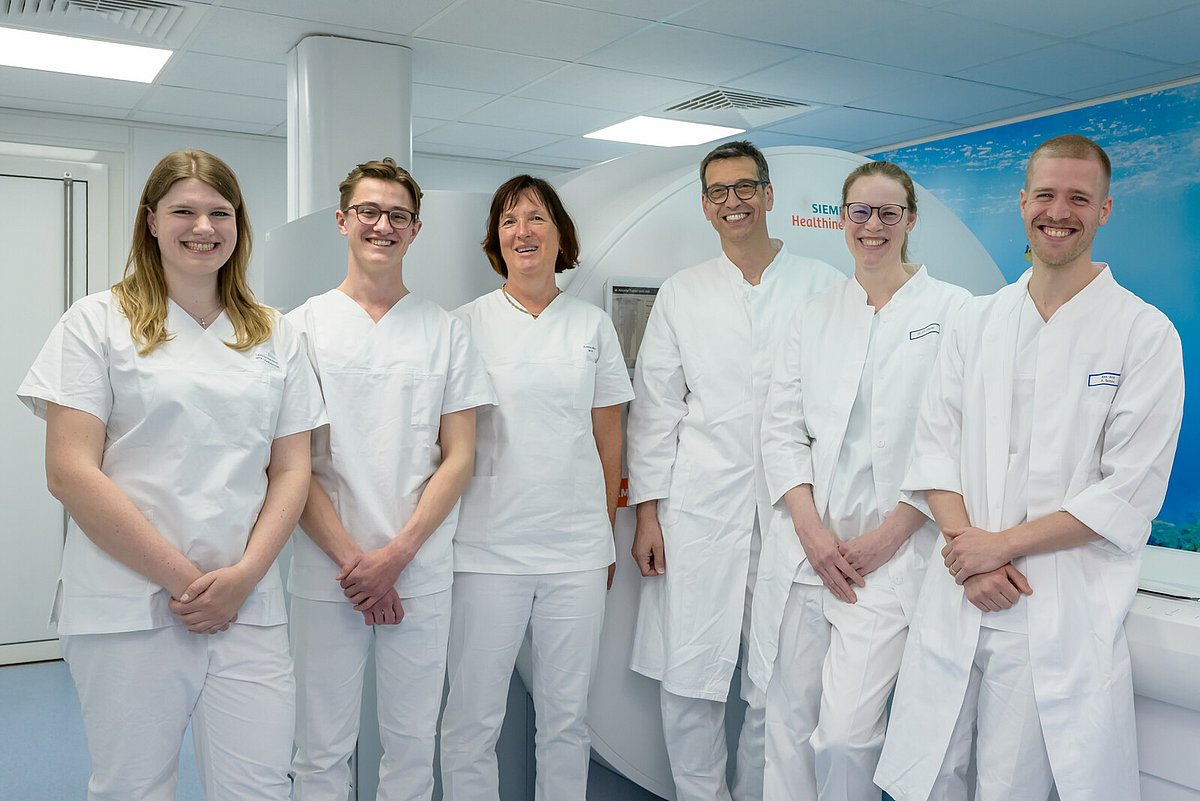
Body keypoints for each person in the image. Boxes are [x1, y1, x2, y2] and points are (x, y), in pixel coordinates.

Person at [875, 134, 1185, 801]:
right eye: (1045, 194)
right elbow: (934, 448)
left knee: (1007, 786)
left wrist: (998, 547)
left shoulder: (1144, 333)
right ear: (1022, 203)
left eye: (1079, 198)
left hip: (1050, 604)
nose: (1059, 211)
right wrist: (972, 553)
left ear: (1105, 209)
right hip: (961, 591)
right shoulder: (977, 320)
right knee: (931, 780)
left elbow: (1128, 490)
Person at [17, 149, 325, 800]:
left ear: (238, 223)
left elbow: (292, 468)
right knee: (135, 787)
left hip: (246, 605)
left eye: (220, 212)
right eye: (184, 210)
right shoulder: (96, 322)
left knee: (261, 787)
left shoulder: (276, 334)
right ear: (151, 220)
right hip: (129, 604)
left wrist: (242, 579)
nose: (203, 227)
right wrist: (188, 584)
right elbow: (70, 471)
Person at [626, 139, 844, 801]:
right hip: (700, 509)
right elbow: (656, 409)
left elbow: (840, 404)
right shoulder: (682, 293)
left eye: (745, 187)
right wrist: (647, 516)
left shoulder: (823, 286)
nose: (733, 201)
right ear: (705, 206)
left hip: (793, 511)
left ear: (769, 195)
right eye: (718, 192)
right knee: (689, 676)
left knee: (779, 681)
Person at [748, 161, 970, 801]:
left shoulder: (955, 311)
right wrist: (812, 535)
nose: (873, 225)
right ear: (843, 219)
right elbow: (781, 431)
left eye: (888, 212)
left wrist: (890, 536)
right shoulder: (814, 315)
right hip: (808, 554)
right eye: (861, 212)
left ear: (910, 220)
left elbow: (955, 440)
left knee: (844, 738)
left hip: (888, 561)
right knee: (786, 727)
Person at [286, 158, 495, 801]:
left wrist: (396, 557)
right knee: (320, 748)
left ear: (416, 229)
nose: (383, 225)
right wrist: (358, 565)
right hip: (329, 570)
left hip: (418, 568)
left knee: (410, 746)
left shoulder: (446, 332)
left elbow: (459, 457)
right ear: (342, 221)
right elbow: (291, 464)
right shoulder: (300, 328)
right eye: (369, 212)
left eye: (398, 215)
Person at [439, 175, 633, 801]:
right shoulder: (464, 326)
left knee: (567, 720)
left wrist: (604, 534)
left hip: (576, 551)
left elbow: (609, 438)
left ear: (559, 234)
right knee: (472, 719)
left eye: (535, 218)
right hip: (486, 550)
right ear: (496, 240)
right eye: (508, 221)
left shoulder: (592, 326)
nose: (522, 231)